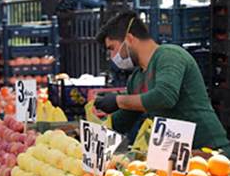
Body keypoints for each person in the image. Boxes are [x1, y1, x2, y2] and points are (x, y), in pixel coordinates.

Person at [95, 11, 230, 155]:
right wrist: (91, 133)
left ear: (129, 39)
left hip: (209, 153)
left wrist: (118, 100)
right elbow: (125, 118)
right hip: (176, 158)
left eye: (112, 48)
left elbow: (164, 97)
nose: (112, 56)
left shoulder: (169, 55)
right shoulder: (136, 78)